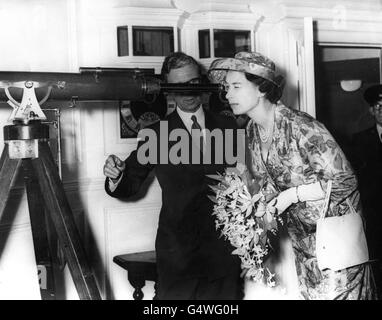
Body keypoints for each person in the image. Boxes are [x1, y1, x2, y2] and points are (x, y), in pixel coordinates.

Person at [208, 51, 377, 300]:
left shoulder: (301, 126)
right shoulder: (253, 131)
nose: (227, 94)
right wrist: (252, 245)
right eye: (226, 87)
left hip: (338, 248)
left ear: (262, 88)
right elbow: (266, 191)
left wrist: (293, 195)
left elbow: (346, 180)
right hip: (305, 248)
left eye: (235, 86)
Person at [103, 52, 242, 300]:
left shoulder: (229, 127)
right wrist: (116, 175)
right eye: (178, 87)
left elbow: (246, 180)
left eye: (192, 84)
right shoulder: (156, 134)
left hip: (223, 255)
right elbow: (129, 184)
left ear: (202, 83)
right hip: (178, 259)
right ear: (168, 90)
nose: (188, 93)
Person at [350, 84, 382, 297]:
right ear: (371, 111)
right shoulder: (359, 141)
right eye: (378, 106)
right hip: (374, 218)